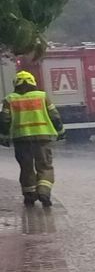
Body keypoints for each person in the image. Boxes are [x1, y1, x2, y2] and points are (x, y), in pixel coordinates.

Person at [0, 71, 63, 206]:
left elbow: (4, 120)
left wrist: (3, 137)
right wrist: (60, 131)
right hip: (42, 138)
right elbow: (55, 116)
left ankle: (29, 195)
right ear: (33, 82)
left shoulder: (9, 99)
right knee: (45, 166)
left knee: (26, 167)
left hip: (21, 139)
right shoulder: (42, 96)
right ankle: (44, 192)